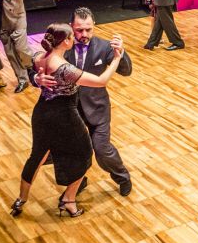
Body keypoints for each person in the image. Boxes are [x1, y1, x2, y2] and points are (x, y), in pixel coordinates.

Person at [9, 23, 124, 219]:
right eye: (72, 36)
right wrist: (116, 59)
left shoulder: (40, 57)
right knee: (86, 153)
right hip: (64, 115)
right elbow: (101, 81)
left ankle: (21, 200)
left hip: (42, 112)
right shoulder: (64, 68)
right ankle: (69, 200)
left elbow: (29, 65)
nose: (75, 39)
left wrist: (36, 79)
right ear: (65, 41)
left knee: (37, 156)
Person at [64, 8, 133, 196]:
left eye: (88, 29)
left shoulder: (104, 47)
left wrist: (122, 52)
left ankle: (122, 176)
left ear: (94, 26)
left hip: (97, 108)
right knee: (71, 151)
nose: (84, 34)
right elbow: (39, 63)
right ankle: (78, 182)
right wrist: (37, 78)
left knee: (102, 150)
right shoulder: (63, 46)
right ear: (71, 27)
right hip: (70, 111)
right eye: (79, 30)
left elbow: (126, 71)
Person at [0, 0, 42, 93]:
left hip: (18, 19)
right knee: (10, 52)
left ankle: (34, 66)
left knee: (21, 49)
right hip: (1, 21)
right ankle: (22, 80)